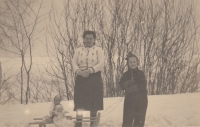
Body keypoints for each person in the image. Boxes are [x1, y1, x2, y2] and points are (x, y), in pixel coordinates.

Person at [72, 30, 104, 127]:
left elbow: (101, 63)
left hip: (94, 78)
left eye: (91, 38)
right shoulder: (78, 50)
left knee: (93, 102)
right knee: (80, 102)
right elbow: (74, 63)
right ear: (84, 39)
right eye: (87, 38)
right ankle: (78, 124)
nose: (89, 40)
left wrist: (90, 70)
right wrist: (79, 72)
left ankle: (93, 124)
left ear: (94, 40)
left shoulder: (99, 50)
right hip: (81, 78)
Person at [119, 52, 148, 127]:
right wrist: (127, 84)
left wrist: (131, 88)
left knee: (139, 120)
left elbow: (142, 85)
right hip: (129, 100)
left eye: (134, 62)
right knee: (127, 119)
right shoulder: (125, 74)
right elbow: (121, 84)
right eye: (130, 62)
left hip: (141, 100)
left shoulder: (141, 73)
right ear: (128, 63)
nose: (132, 64)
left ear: (137, 62)